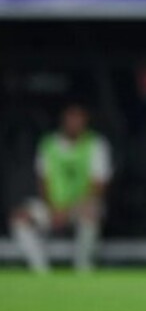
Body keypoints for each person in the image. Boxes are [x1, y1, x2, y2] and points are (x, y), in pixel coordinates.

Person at [8, 104, 113, 274]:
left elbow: (99, 186)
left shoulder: (96, 144)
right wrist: (53, 208)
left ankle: (83, 268)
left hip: (79, 207)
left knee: (92, 211)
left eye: (78, 119)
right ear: (64, 120)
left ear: (85, 121)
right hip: (53, 206)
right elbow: (43, 181)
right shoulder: (48, 144)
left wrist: (71, 209)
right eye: (71, 118)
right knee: (20, 217)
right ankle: (41, 271)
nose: (74, 123)